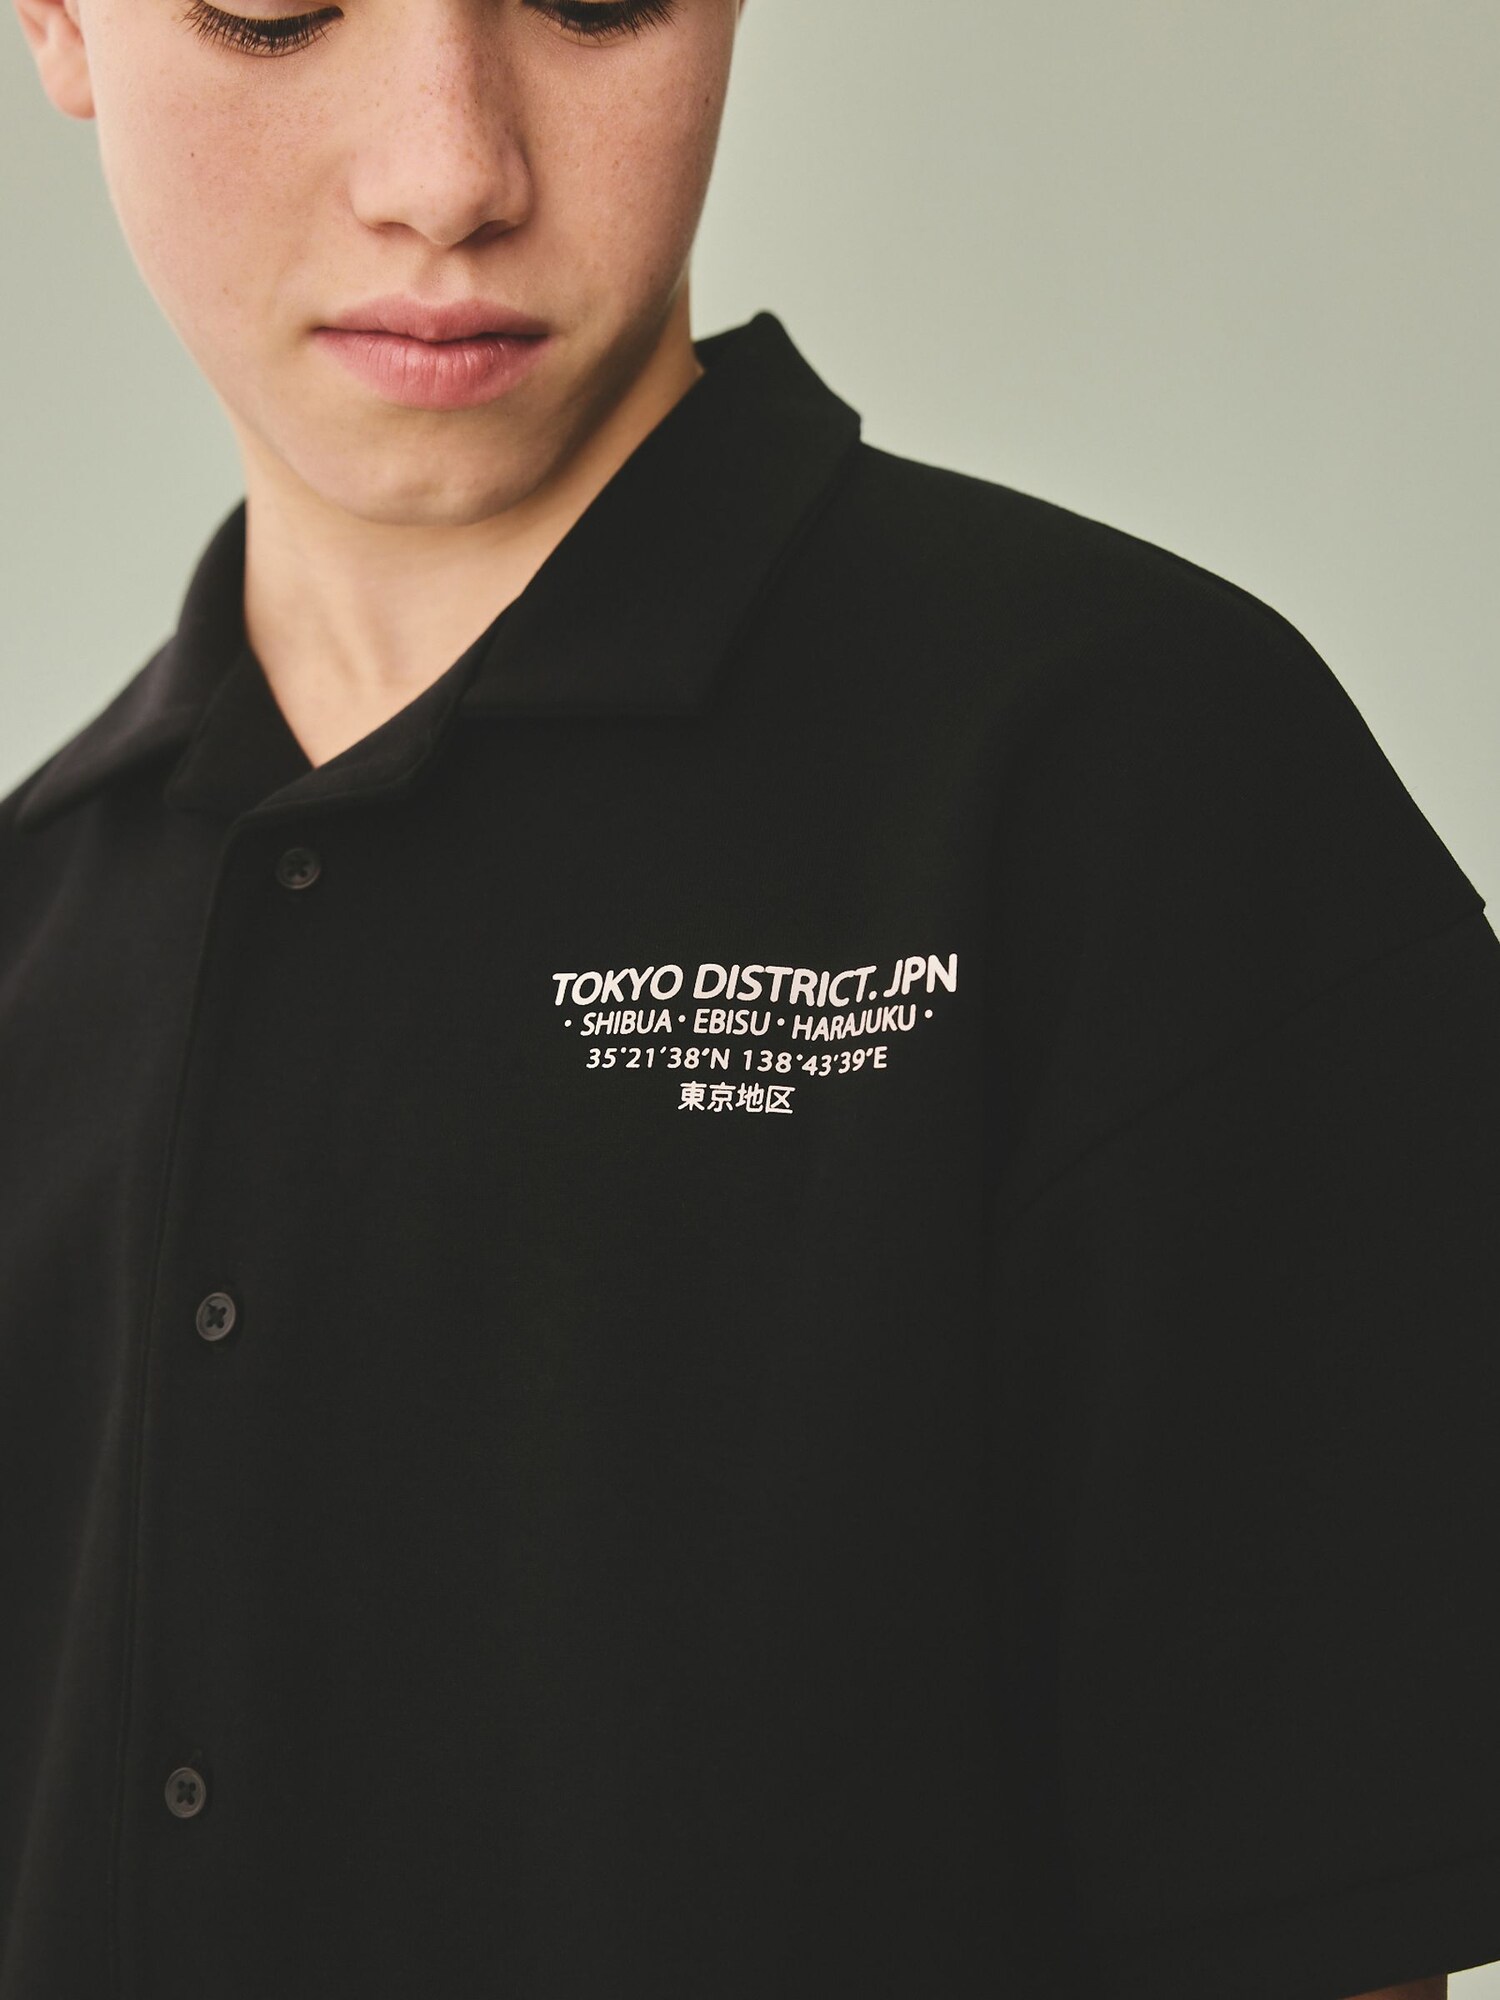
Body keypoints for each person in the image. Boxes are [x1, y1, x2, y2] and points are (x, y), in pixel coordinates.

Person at [3, 3, 1495, 1997]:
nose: (450, 174)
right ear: (58, 20)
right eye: (276, 8)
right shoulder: (29, 939)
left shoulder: (1138, 776)